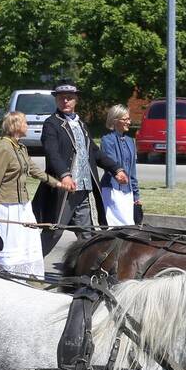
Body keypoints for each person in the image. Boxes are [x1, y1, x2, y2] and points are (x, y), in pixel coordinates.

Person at [32, 80, 127, 255]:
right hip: (64, 190)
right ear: (56, 100)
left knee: (87, 233)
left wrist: (116, 169)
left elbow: (94, 153)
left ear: (76, 100)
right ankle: (29, 265)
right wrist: (64, 175)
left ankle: (89, 271)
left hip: (83, 187)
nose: (65, 101)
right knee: (54, 231)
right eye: (61, 98)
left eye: (69, 98)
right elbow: (52, 152)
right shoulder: (51, 124)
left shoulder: (81, 124)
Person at [0, 111, 66, 278]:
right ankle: (5, 276)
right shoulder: (3, 148)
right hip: (7, 206)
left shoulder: (20, 147)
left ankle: (24, 277)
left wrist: (57, 183)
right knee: (11, 246)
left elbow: (33, 169)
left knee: (29, 241)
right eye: (25, 122)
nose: (27, 125)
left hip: (23, 205)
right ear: (15, 126)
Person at [98, 105, 141, 226]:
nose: (129, 122)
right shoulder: (107, 140)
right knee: (119, 226)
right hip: (112, 189)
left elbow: (132, 170)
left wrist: (136, 195)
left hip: (128, 191)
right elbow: (111, 166)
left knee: (128, 226)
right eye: (125, 119)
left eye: (129, 119)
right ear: (115, 120)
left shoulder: (130, 141)